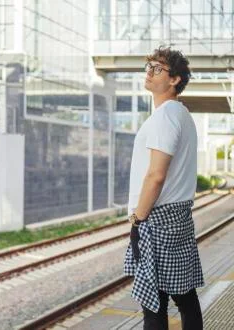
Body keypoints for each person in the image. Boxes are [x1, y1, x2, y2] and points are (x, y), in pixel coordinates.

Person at [123, 46, 204, 330]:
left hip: (156, 218)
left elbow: (156, 175)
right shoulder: (182, 115)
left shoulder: (165, 117)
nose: (150, 72)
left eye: (158, 68)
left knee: (153, 306)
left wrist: (137, 218)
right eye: (149, 67)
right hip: (178, 215)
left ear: (175, 79)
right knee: (185, 296)